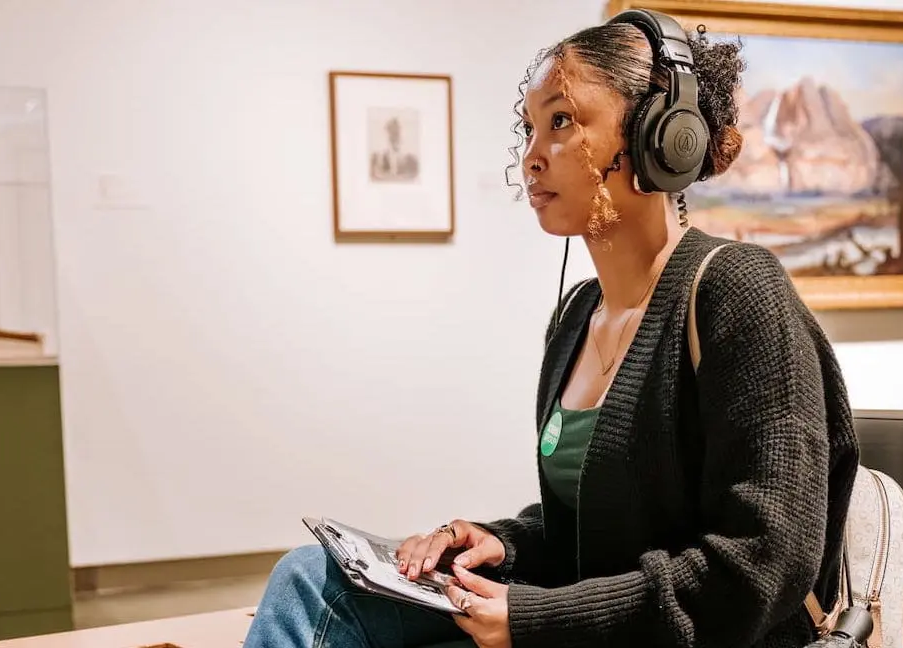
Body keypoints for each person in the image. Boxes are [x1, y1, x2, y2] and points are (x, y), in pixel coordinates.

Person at [243, 9, 860, 648]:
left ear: (660, 136)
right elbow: (592, 538)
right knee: (314, 576)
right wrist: (500, 545)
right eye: (528, 128)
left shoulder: (738, 291)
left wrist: (533, 619)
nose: (531, 157)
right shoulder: (578, 316)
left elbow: (765, 565)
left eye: (561, 121)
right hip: (590, 631)